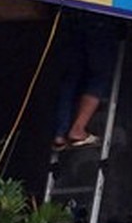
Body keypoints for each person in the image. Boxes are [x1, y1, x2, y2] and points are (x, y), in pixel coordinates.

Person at [51, 11, 124, 151]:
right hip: (99, 15)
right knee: (99, 76)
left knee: (71, 77)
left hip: (73, 16)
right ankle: (77, 129)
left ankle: (59, 134)